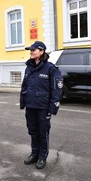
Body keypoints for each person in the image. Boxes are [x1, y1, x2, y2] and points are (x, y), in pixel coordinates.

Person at [20, 41, 63, 169]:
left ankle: (42, 157)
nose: (31, 52)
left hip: (43, 107)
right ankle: (34, 154)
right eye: (30, 50)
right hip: (31, 105)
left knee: (43, 132)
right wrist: (23, 102)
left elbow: (57, 89)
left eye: (34, 50)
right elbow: (25, 85)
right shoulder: (29, 67)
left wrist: (53, 107)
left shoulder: (50, 68)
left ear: (42, 51)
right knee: (32, 131)